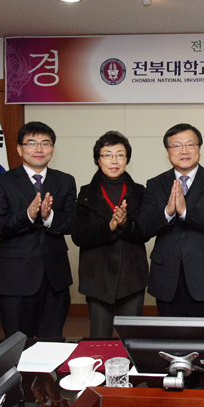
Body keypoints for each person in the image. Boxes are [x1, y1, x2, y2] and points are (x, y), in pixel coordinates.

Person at [0, 121, 77, 338]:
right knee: (18, 343)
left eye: (45, 143)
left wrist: (49, 217)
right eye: (31, 143)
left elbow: (72, 223)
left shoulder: (65, 180)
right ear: (19, 149)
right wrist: (27, 216)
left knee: (52, 342)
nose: (39, 149)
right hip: (15, 278)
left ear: (52, 149)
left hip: (55, 278)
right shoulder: (1, 181)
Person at [139, 124, 204, 318]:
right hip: (166, 275)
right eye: (177, 146)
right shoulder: (155, 184)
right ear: (168, 152)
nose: (184, 151)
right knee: (169, 333)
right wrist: (168, 212)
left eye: (190, 144)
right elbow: (144, 228)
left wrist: (186, 212)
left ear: (199, 148)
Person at [71, 131, 149, 337]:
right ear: (98, 160)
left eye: (120, 155)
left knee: (131, 339)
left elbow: (146, 232)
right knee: (99, 340)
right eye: (107, 155)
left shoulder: (140, 192)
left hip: (132, 276)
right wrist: (110, 226)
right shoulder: (85, 193)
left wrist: (125, 224)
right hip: (97, 278)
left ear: (127, 159)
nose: (114, 160)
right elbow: (78, 236)